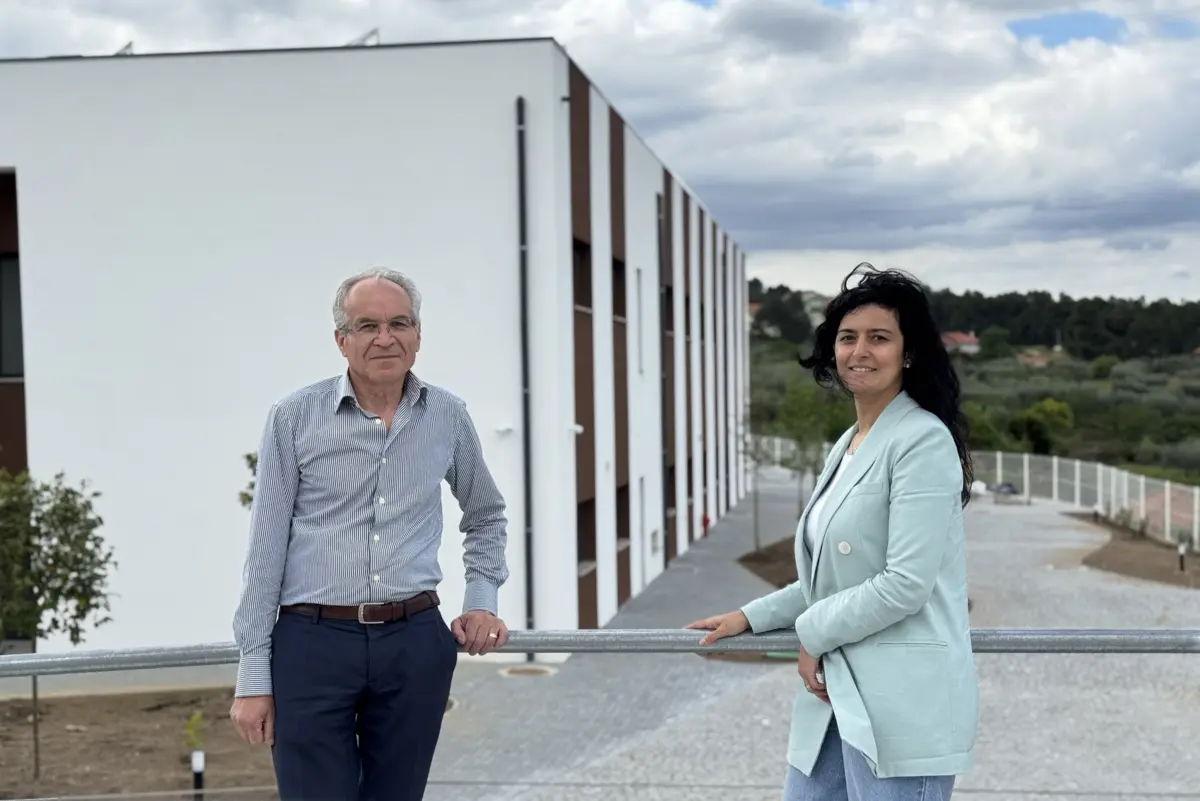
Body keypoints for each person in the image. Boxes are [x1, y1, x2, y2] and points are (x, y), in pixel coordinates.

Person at [686, 264, 979, 801]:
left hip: (900, 704)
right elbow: (832, 578)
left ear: (908, 353)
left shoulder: (922, 440)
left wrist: (809, 634)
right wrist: (751, 617)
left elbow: (904, 583)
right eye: (848, 337)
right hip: (837, 696)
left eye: (879, 338)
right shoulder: (848, 443)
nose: (859, 351)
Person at [229, 267, 511, 801]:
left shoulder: (448, 415)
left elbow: (487, 514)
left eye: (399, 323)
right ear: (341, 340)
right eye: (367, 325)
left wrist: (481, 600)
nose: (386, 337)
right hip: (311, 644)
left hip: (414, 642)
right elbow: (264, 553)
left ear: (418, 336)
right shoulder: (293, 418)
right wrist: (253, 678)